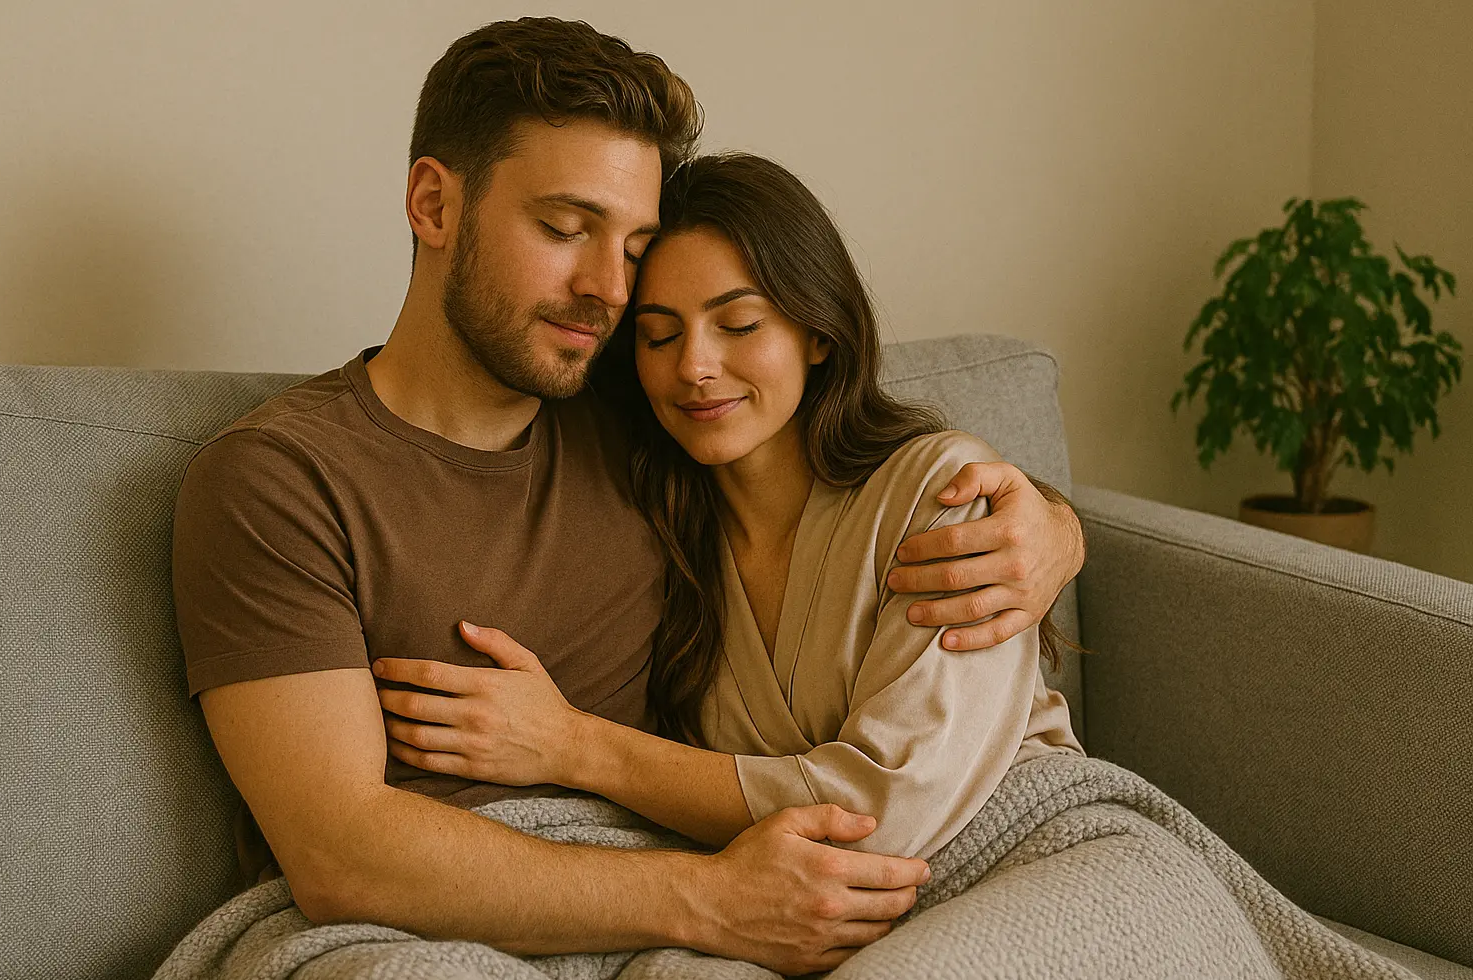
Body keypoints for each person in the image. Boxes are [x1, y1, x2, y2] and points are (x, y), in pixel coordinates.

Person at [171, 17, 1085, 977]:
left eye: (633, 246)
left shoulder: (641, 417)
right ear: (435, 205)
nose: (607, 290)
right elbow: (339, 854)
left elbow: (838, 463)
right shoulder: (278, 480)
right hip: (457, 934)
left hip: (697, 916)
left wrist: (1054, 530)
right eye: (565, 229)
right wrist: (710, 901)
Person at [374, 151, 1085, 868]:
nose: (694, 367)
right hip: (820, 899)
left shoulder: (945, 495)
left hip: (1036, 843)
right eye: (659, 335)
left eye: (739, 325)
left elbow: (883, 812)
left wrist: (572, 746)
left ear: (817, 331)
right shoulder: (660, 532)